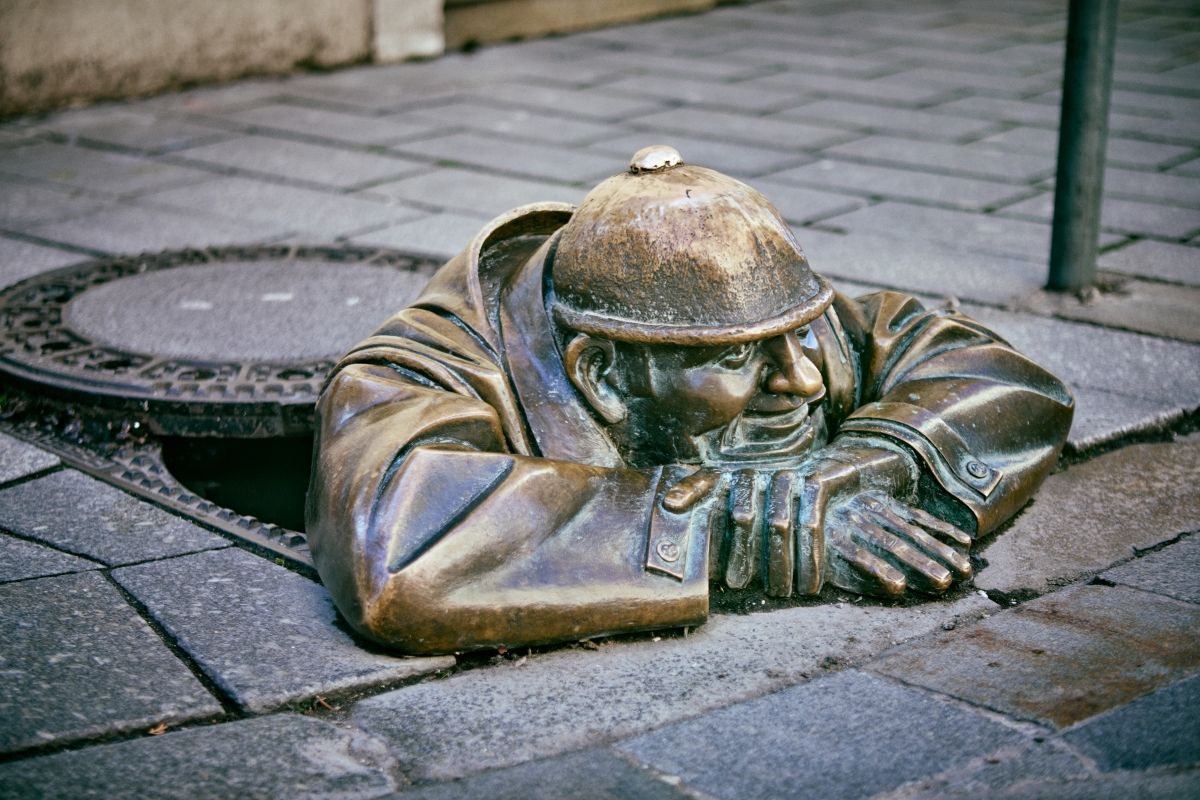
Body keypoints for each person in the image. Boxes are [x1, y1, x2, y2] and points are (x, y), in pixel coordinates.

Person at [306, 146, 1073, 655]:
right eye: (736, 357)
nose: (802, 380)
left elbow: (1006, 377)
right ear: (603, 375)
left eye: (798, 338)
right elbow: (394, 551)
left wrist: (866, 464)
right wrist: (736, 528)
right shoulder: (419, 371)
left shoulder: (778, 326)